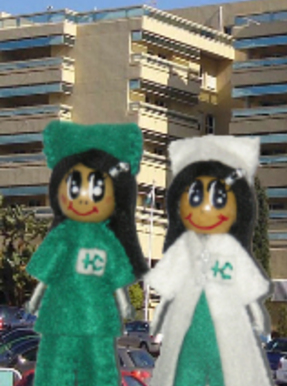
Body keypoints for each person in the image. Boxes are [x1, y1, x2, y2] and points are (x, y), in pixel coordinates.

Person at [26, 121, 147, 386]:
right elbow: (47, 275)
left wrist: (125, 304)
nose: (83, 198)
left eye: (97, 189)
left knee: (99, 367)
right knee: (55, 366)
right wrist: (36, 298)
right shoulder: (63, 237)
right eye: (75, 187)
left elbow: (115, 280)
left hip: (97, 316)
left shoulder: (107, 241)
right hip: (61, 313)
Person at [147, 135, 273, 386]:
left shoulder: (232, 253)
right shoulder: (184, 252)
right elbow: (168, 298)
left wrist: (259, 324)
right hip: (189, 338)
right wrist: (159, 328)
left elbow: (248, 296)